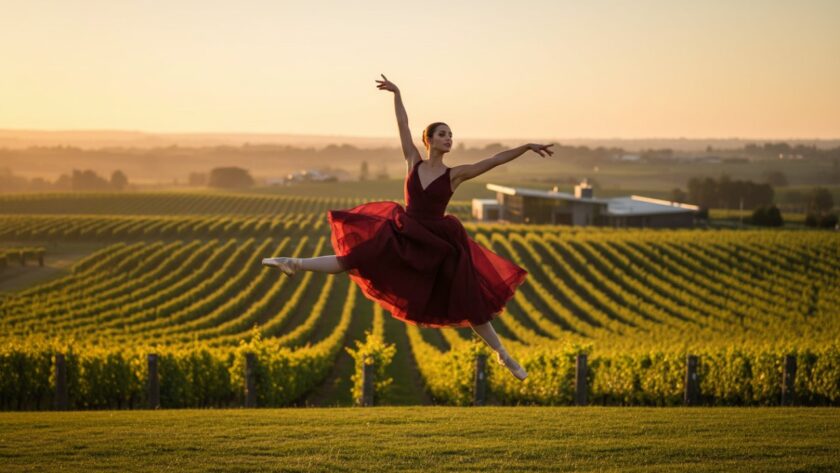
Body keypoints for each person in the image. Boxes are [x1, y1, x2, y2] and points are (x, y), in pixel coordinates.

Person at [263, 74, 554, 381]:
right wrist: (397, 94)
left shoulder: (455, 175)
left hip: (440, 243)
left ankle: (503, 355)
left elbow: (495, 159)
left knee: (469, 301)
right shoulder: (413, 161)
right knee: (355, 259)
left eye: (451, 135)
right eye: (443, 134)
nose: (449, 138)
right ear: (428, 140)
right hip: (405, 232)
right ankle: (292, 262)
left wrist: (526, 146)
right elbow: (403, 125)